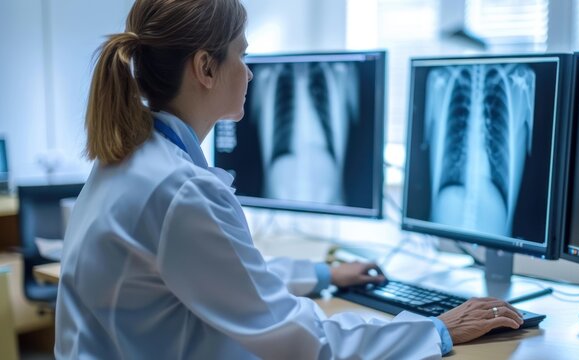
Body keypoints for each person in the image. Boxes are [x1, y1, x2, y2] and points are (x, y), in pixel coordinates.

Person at [55, 0, 524, 358]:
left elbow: (225, 274)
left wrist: (322, 274)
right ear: (204, 68)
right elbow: (304, 342)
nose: (250, 71)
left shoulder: (135, 158)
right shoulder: (180, 191)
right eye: (242, 54)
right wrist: (436, 330)